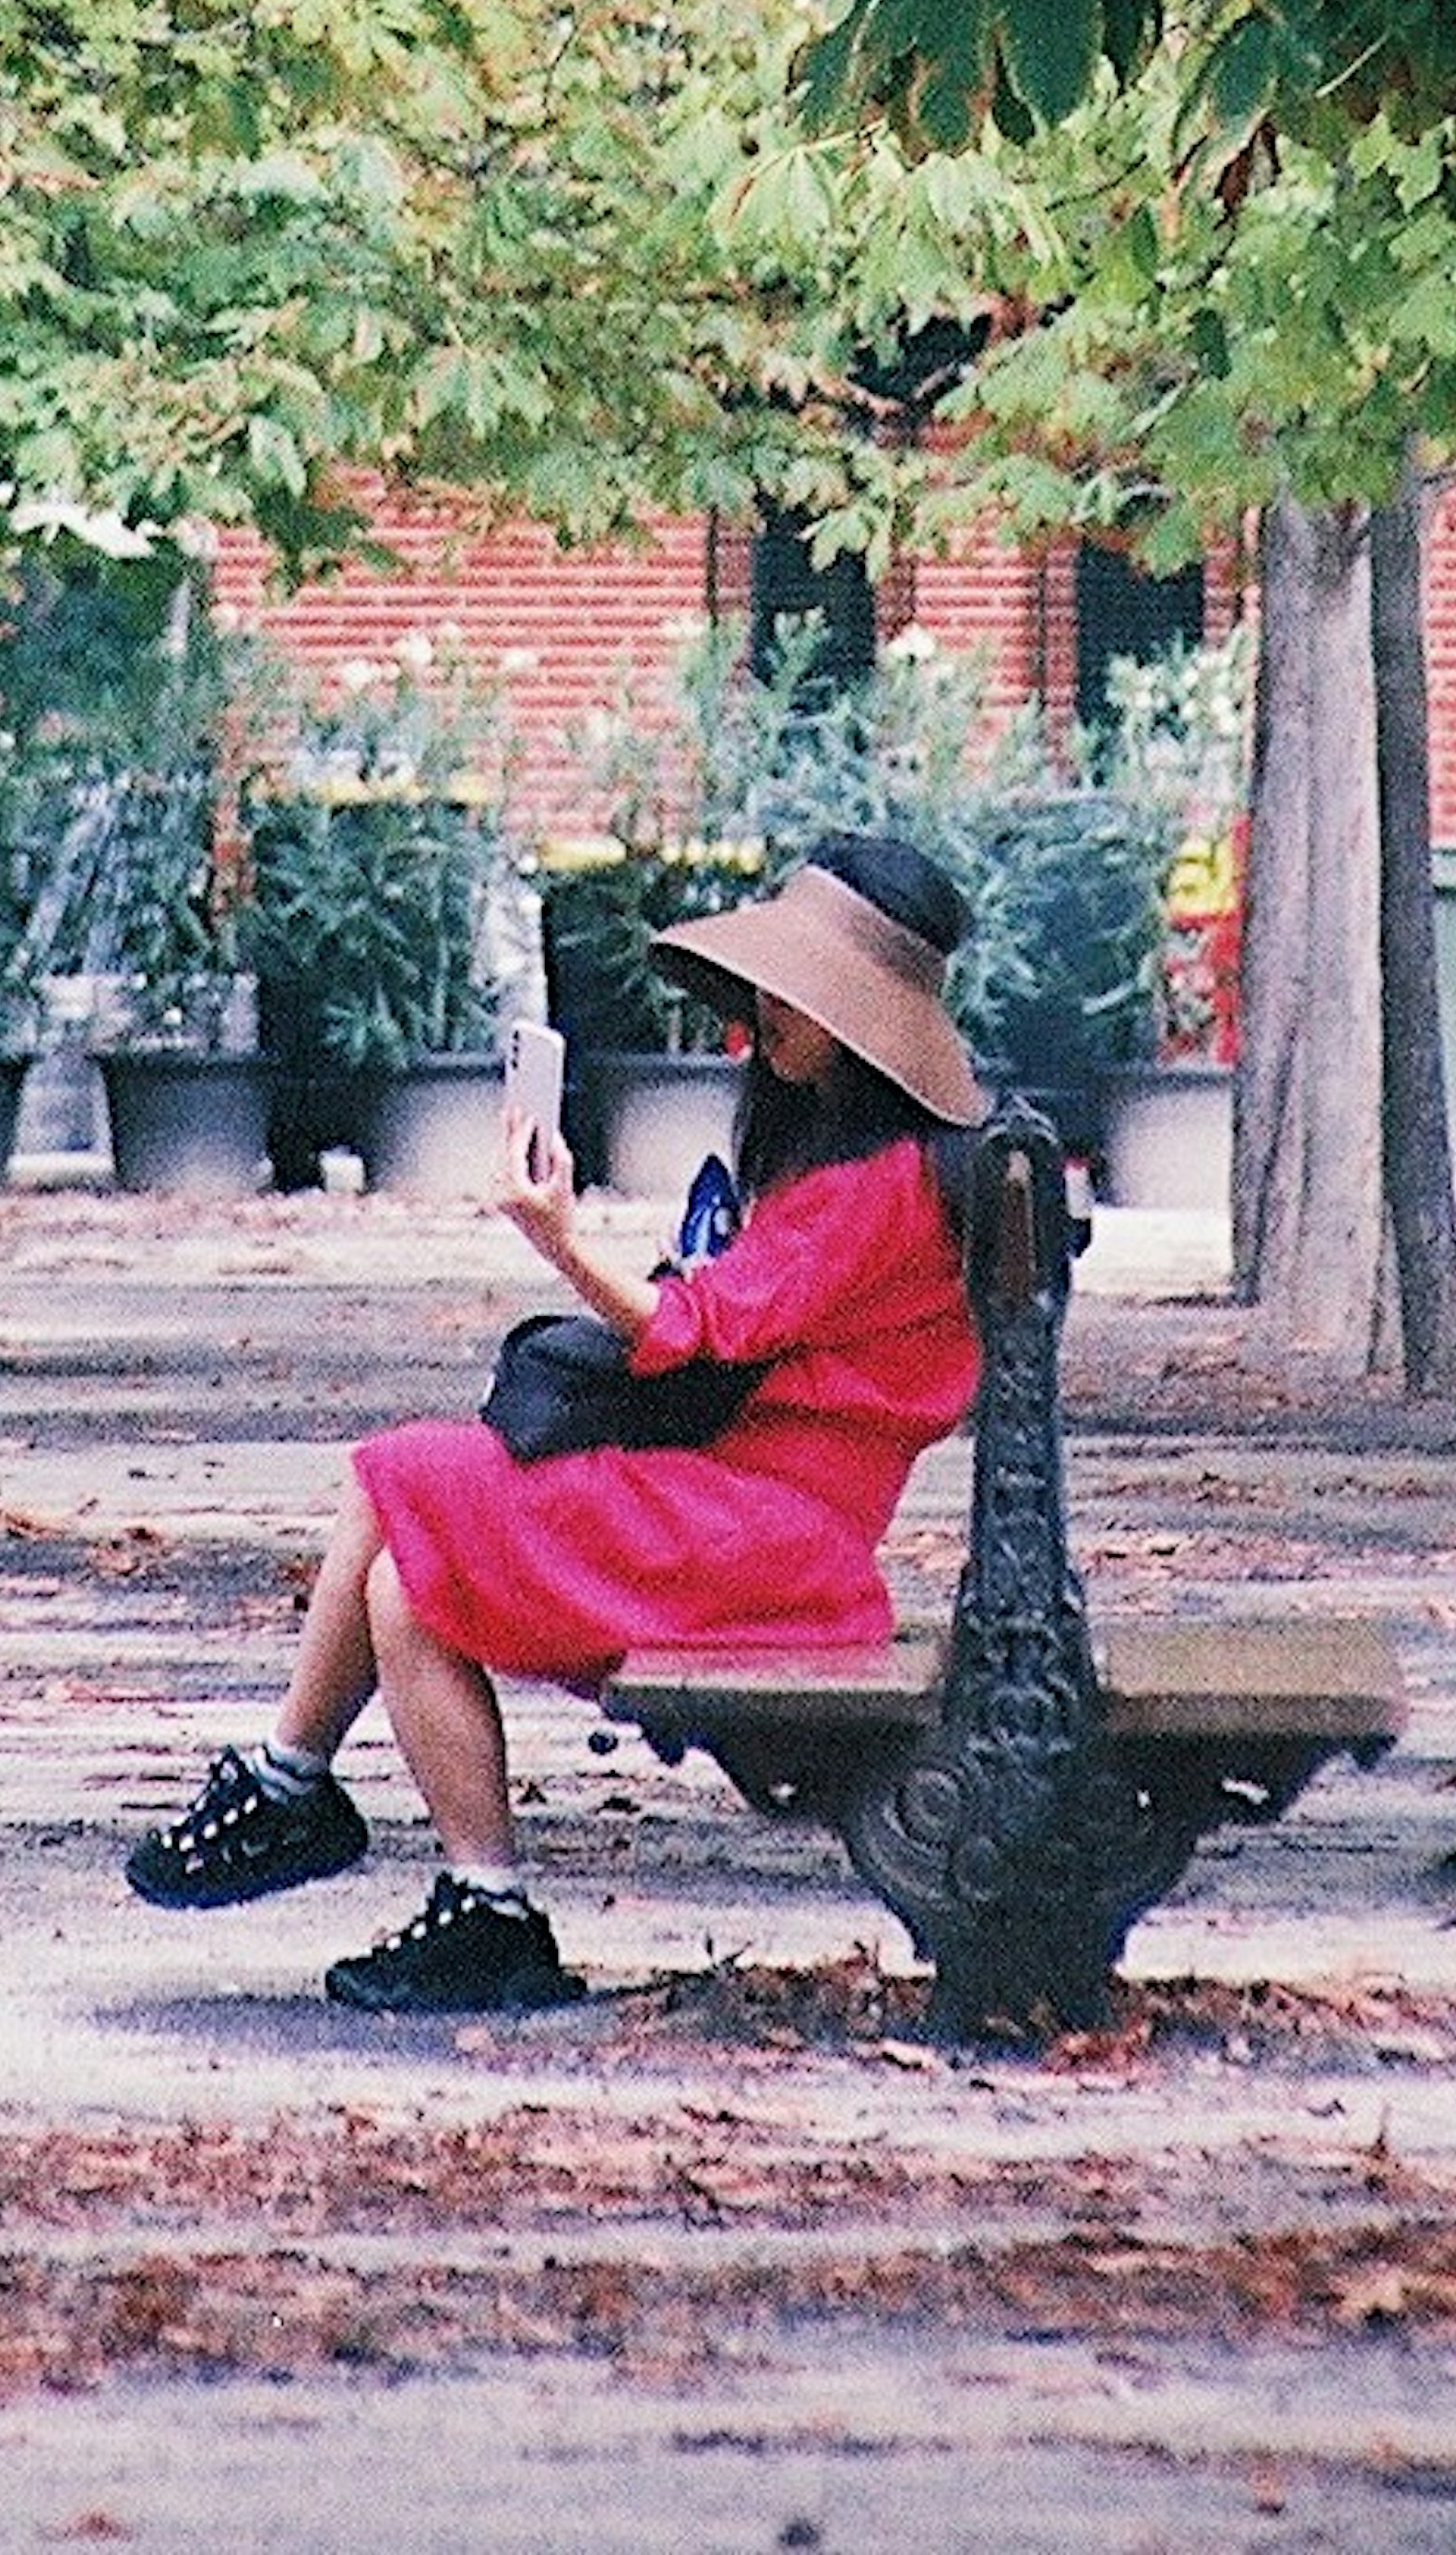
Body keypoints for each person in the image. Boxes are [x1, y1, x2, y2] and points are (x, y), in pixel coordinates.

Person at [129, 829, 986, 2017]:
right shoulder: (861, 1168)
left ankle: (293, 1785)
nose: (760, 1017)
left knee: (402, 1477)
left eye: (793, 997)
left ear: (864, 1023)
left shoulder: (877, 1189)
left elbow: (694, 1328)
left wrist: (560, 1240)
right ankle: (478, 1902)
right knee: (403, 1585)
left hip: (772, 1543)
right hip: (745, 1510)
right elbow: (724, 1323)